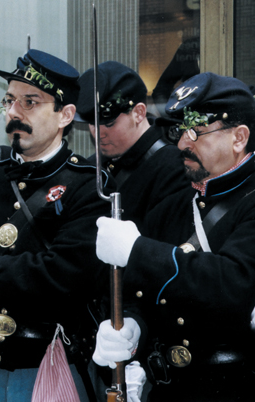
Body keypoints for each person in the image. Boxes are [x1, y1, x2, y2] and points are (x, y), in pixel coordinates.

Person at [0, 49, 115, 402]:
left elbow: (64, 274)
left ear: (65, 114)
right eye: (10, 101)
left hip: (51, 365)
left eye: (30, 102)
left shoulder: (90, 186)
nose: (13, 113)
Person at [94, 72, 255, 401]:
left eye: (196, 131)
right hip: (172, 387)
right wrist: (132, 331)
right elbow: (139, 294)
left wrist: (138, 251)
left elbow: (234, 282)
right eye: (182, 131)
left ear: (239, 138)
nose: (183, 142)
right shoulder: (171, 208)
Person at [76, 61, 189, 227]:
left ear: (138, 113)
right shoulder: (91, 166)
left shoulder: (174, 168)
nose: (99, 133)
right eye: (92, 124)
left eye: (109, 124)